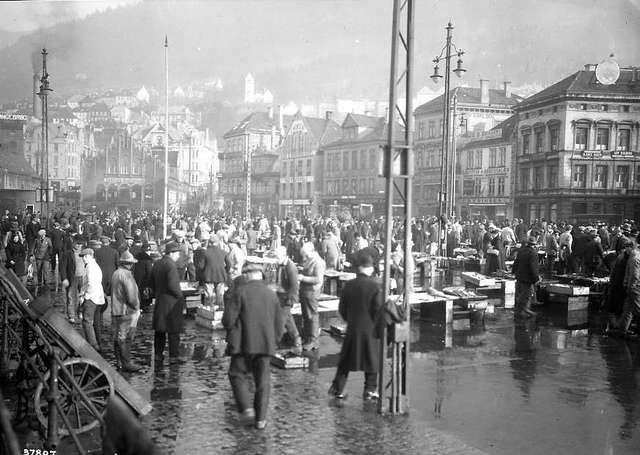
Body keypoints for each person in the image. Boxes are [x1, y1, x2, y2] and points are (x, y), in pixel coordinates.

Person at [223, 262, 283, 430]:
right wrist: (274, 340)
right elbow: (280, 323)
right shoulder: (271, 294)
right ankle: (261, 419)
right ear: (260, 275)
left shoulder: (240, 292)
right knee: (263, 381)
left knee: (236, 374)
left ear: (247, 275)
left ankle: (246, 408)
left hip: (243, 344)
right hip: (265, 345)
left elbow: (228, 320)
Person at [329, 251, 383, 401]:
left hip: (353, 328)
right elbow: (378, 309)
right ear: (371, 268)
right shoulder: (376, 286)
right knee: (372, 360)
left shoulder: (349, 285)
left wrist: (350, 320)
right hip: (371, 330)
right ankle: (370, 390)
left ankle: (337, 389)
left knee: (345, 361)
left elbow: (342, 308)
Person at [151, 242, 185, 362]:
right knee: (173, 331)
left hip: (160, 300)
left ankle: (158, 354)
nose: (178, 256)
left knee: (160, 330)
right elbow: (173, 285)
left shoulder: (158, 263)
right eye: (177, 253)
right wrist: (180, 297)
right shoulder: (171, 265)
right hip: (171, 302)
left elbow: (152, 282)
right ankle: (174, 356)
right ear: (171, 253)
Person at [111, 250, 142, 372]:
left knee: (117, 337)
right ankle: (127, 363)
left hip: (116, 310)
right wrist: (136, 307)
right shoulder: (127, 275)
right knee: (126, 338)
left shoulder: (116, 273)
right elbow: (132, 296)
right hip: (126, 311)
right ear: (129, 264)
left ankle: (119, 361)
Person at [274, 246, 302, 353]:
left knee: (281, 319)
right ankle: (296, 337)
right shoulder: (280, 265)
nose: (276, 259)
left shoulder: (291, 267)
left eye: (278, 257)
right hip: (280, 295)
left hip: (287, 297)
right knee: (287, 318)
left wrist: (290, 299)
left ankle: (276, 341)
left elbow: (294, 286)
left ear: (284, 255)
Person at [298, 242, 326, 351]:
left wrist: (302, 278)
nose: (304, 257)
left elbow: (318, 279)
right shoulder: (310, 260)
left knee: (312, 316)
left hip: (312, 292)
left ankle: (313, 341)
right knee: (306, 316)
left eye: (305, 254)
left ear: (312, 251)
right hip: (305, 291)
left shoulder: (319, 262)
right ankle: (307, 337)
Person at [79, 248, 106, 352]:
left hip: (91, 297)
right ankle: (98, 343)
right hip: (98, 297)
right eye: (83, 257)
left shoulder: (90, 267)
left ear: (89, 256)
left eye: (85, 257)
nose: (83, 259)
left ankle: (93, 346)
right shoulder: (95, 266)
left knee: (87, 321)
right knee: (97, 322)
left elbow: (90, 283)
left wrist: (85, 296)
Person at [513, 235, 540, 319]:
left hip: (519, 276)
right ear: (534, 245)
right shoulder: (533, 253)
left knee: (519, 294)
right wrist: (536, 279)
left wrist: (514, 272)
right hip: (527, 278)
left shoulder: (521, 251)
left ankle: (519, 311)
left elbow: (516, 263)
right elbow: (533, 268)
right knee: (526, 295)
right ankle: (523, 312)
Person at [59, 237, 85, 323]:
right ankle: (71, 316)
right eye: (77, 243)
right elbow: (62, 267)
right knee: (71, 297)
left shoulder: (84, 253)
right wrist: (64, 278)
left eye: (80, 244)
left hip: (83, 278)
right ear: (73, 243)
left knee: (82, 297)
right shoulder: (68, 253)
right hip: (72, 278)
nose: (78, 245)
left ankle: (80, 312)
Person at [133, 243, 155, 312]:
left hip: (137, 280)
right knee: (145, 296)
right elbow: (149, 272)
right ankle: (145, 307)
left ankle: (139, 307)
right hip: (145, 282)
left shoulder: (136, 259)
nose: (149, 252)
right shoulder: (148, 261)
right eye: (148, 251)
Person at [33, 229, 53, 293]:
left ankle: (46, 282)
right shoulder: (37, 239)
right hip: (38, 257)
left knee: (46, 270)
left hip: (46, 257)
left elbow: (51, 247)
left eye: (42, 234)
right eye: (40, 235)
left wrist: (49, 255)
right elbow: (34, 247)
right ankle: (39, 282)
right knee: (39, 270)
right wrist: (33, 254)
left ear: (44, 234)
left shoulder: (48, 239)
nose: (41, 236)